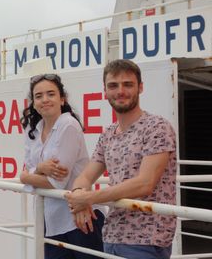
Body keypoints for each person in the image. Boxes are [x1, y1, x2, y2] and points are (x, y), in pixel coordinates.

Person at [65, 59, 177, 259]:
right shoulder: (108, 133)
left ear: (140, 87)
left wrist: (88, 198)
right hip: (112, 235)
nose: (120, 91)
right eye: (113, 85)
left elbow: (145, 184)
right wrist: (79, 195)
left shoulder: (157, 127)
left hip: (146, 239)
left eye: (128, 84)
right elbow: (85, 176)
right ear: (105, 91)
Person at [20, 73, 105, 259]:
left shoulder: (68, 125)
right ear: (33, 102)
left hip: (79, 219)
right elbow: (27, 168)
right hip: (50, 220)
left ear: (62, 99)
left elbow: (56, 182)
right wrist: (38, 169)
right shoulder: (33, 129)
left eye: (51, 94)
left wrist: (27, 177)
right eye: (39, 96)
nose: (45, 100)